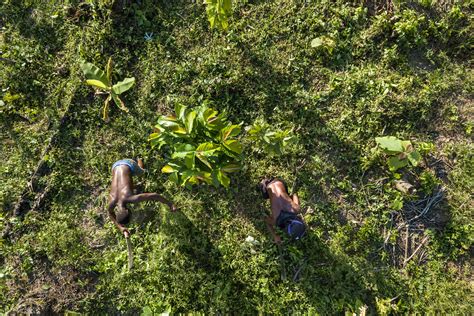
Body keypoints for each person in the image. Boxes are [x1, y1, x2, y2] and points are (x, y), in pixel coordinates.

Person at [107, 158, 176, 238]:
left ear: (128, 211)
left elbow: (154, 195)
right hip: (115, 166)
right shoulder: (111, 202)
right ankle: (135, 185)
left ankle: (139, 159)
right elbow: (110, 213)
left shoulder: (130, 198)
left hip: (128, 163)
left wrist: (170, 204)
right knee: (128, 186)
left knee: (142, 172)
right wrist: (121, 228)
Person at [258, 178, 306, 243]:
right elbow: (266, 221)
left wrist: (289, 199)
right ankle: (263, 183)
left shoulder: (296, 209)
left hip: (279, 181)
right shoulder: (275, 220)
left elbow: (294, 194)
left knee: (282, 192)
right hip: (266, 185)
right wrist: (275, 236)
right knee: (265, 195)